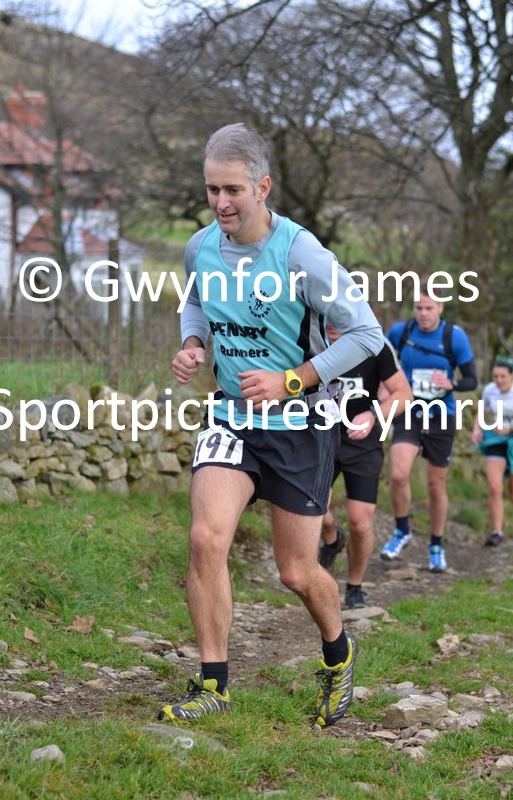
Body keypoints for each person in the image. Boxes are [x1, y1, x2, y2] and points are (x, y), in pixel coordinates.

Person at [160, 123, 383, 727]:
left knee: (296, 572)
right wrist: (193, 344)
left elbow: (367, 333)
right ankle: (213, 685)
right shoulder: (201, 246)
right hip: (231, 416)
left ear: (262, 188)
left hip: (300, 424)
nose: (221, 203)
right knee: (206, 539)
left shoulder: (301, 253)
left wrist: (293, 379)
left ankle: (338, 654)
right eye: (212, 189)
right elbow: (196, 300)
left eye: (233, 189)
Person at [381, 288, 477, 572]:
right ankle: (402, 530)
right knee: (398, 474)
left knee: (436, 486)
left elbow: (471, 379)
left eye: (429, 308)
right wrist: (384, 390)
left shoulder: (454, 337)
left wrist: (452, 384)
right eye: (418, 308)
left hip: (441, 415)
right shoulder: (401, 332)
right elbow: (379, 363)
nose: (423, 314)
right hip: (409, 411)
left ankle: (436, 545)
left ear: (440, 307)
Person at [319, 325, 412, 608]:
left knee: (360, 524)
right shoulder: (307, 332)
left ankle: (355, 587)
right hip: (318, 435)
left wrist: (373, 415)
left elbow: (404, 395)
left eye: (338, 313)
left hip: (362, 439)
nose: (332, 322)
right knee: (316, 510)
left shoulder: (374, 343)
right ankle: (332, 540)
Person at [472, 356, 513, 546]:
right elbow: (482, 411)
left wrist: (509, 429)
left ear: (511, 376)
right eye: (495, 376)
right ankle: (497, 532)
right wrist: (477, 429)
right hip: (496, 439)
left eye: (503, 376)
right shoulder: (489, 390)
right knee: (494, 487)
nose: (498, 380)